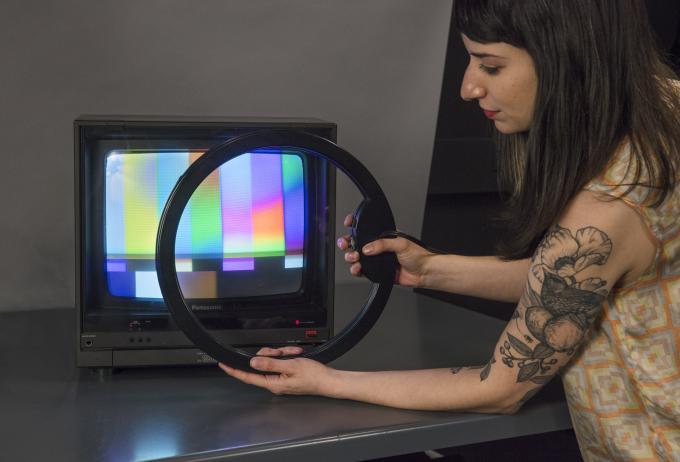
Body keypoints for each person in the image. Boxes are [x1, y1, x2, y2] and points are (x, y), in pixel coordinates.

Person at [219, 1, 680, 459]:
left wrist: (326, 380)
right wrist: (431, 270)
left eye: (492, 66)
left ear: (570, 59)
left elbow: (500, 390)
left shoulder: (605, 209)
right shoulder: (665, 109)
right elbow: (576, 283)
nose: (468, 87)